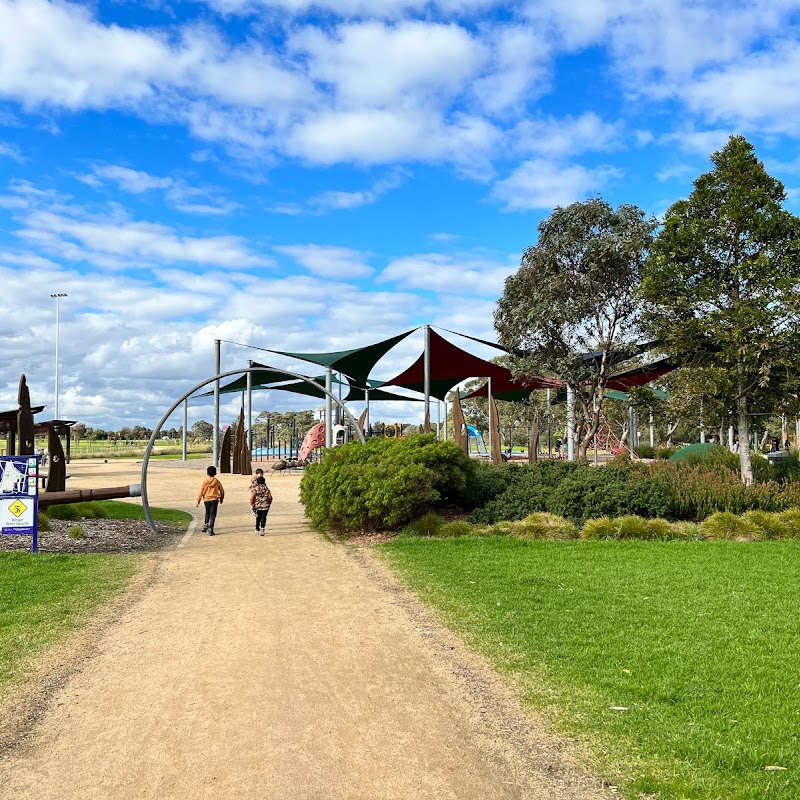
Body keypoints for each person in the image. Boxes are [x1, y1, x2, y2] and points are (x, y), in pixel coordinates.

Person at [197, 465, 224, 536]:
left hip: (206, 499)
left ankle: (206, 524)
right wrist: (221, 499)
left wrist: (198, 500)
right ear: (215, 473)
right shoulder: (217, 482)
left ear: (207, 473)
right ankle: (211, 529)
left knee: (207, 512)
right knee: (213, 515)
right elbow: (222, 491)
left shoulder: (204, 482)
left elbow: (201, 491)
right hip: (214, 500)